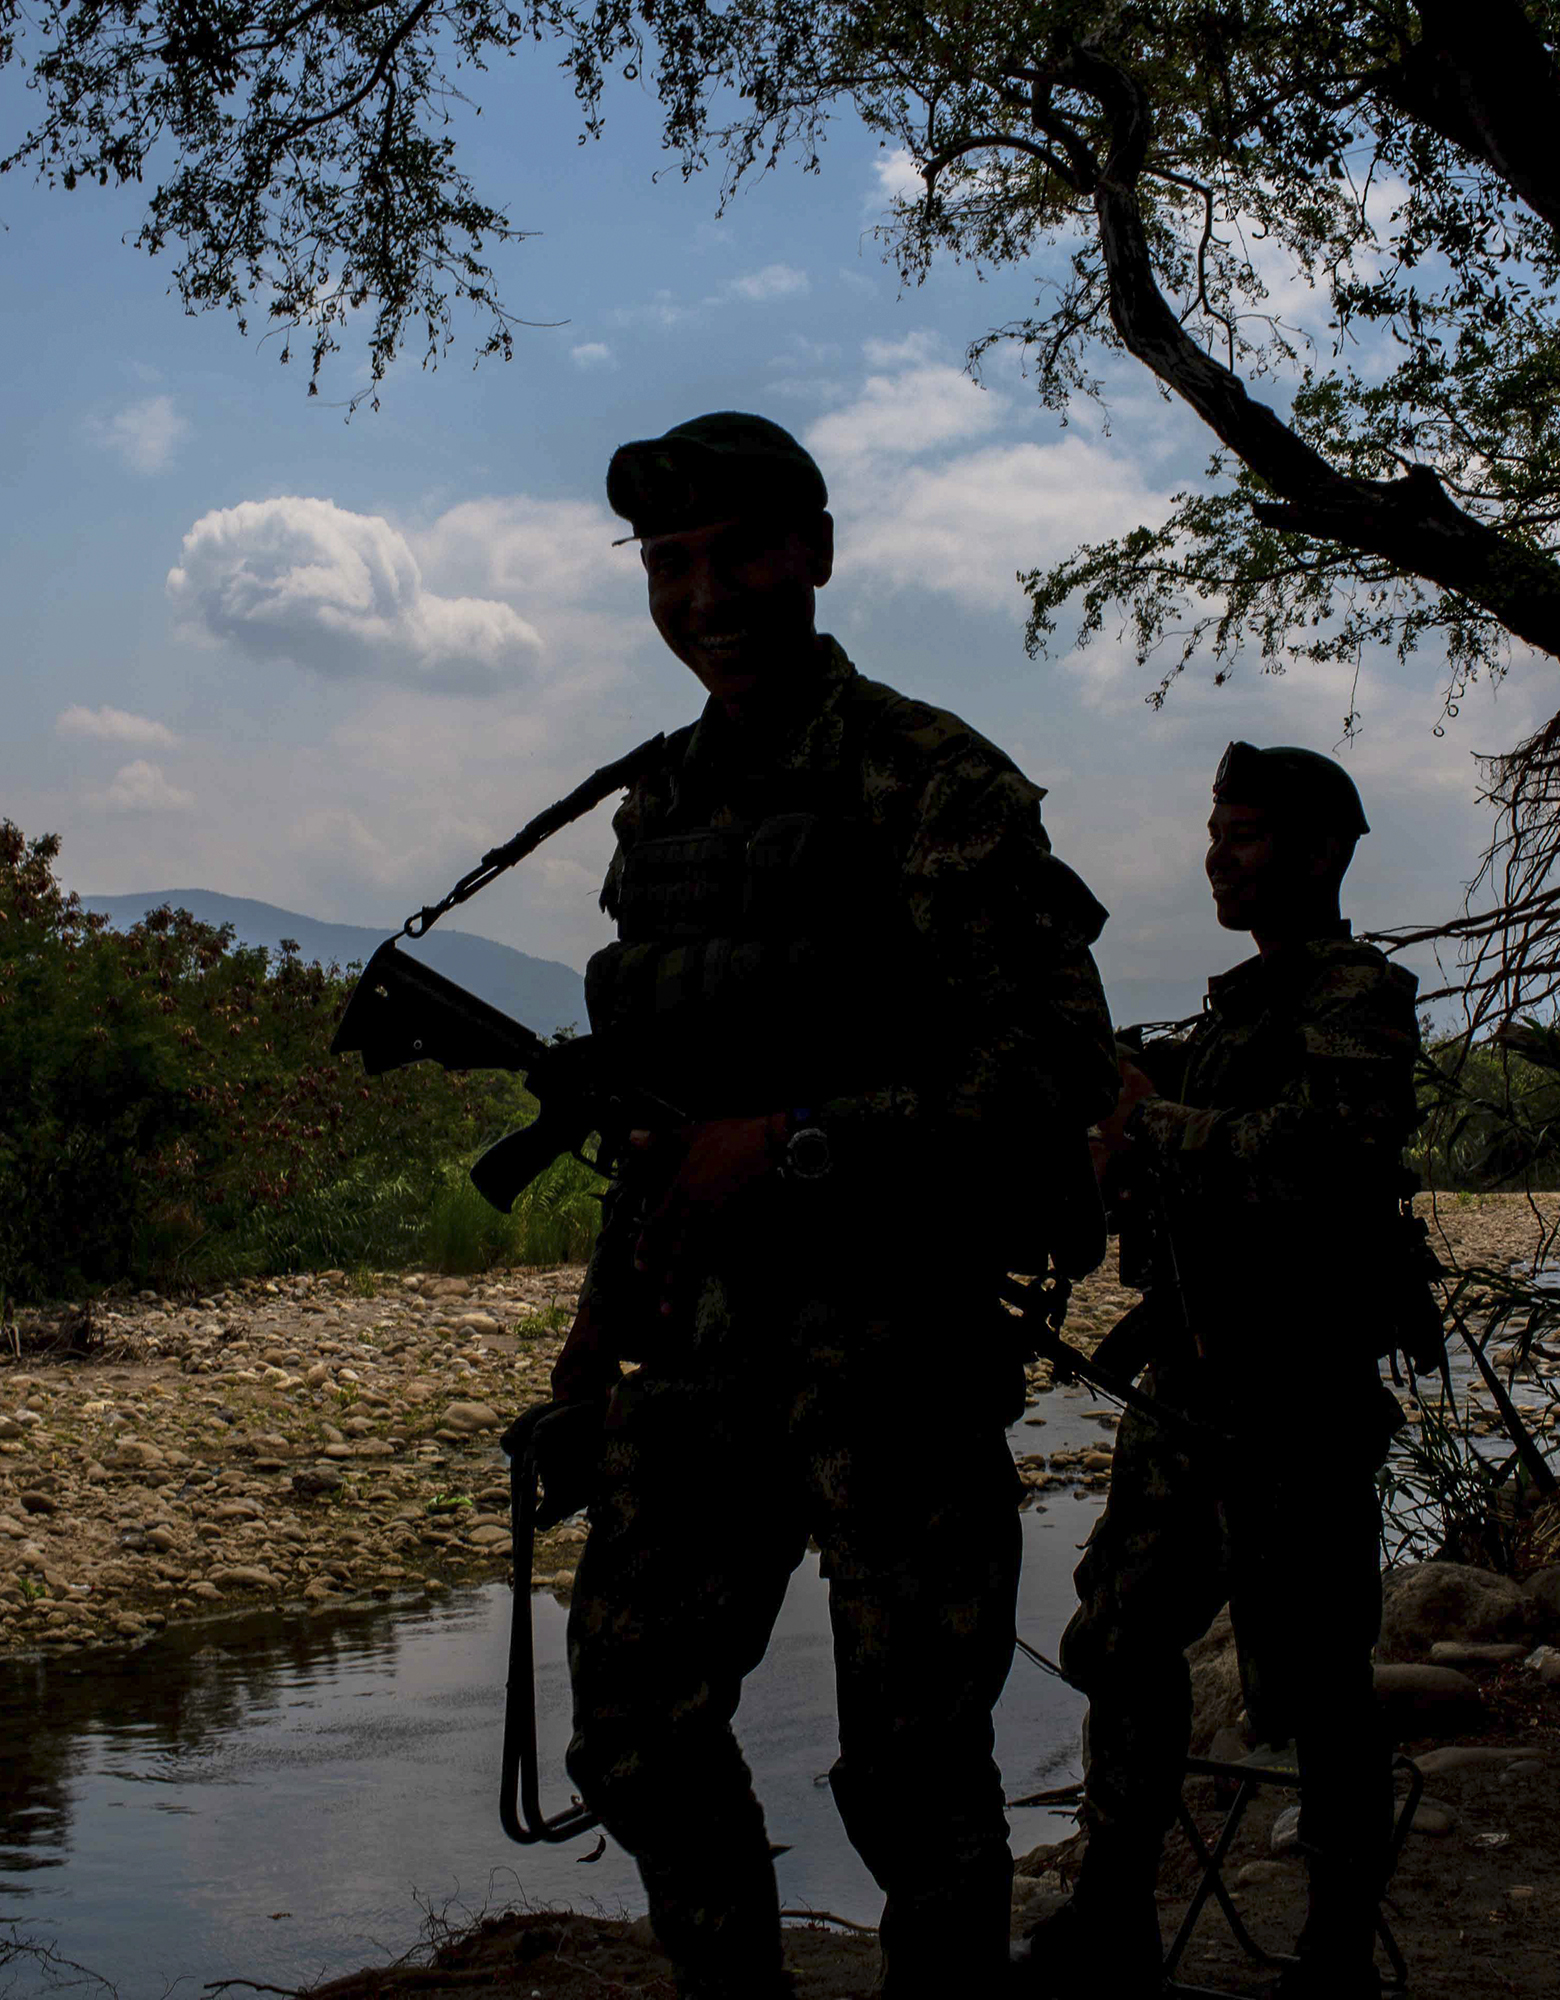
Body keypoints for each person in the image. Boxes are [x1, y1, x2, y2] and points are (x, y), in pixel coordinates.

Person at [544, 411, 1119, 1999]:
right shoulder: (657, 807)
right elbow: (658, 1123)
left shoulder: (928, 777)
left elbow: (1056, 1061)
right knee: (633, 1729)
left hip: (897, 1346)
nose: (704, 593)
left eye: (736, 554)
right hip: (703, 1350)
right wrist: (597, 1335)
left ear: (812, 553)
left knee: (913, 1775)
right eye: (670, 563)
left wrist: (800, 1139)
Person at [1013, 743, 1425, 1999]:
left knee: (1319, 1682)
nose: (1219, 856)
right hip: (1189, 1391)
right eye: (1216, 832)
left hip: (1297, 1399)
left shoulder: (1358, 996)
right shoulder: (1236, 1013)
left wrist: (1156, 1122)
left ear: (1317, 854)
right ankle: (1111, 1916)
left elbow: (1324, 1153)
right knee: (1122, 1639)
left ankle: (1336, 1951)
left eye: (1245, 835)